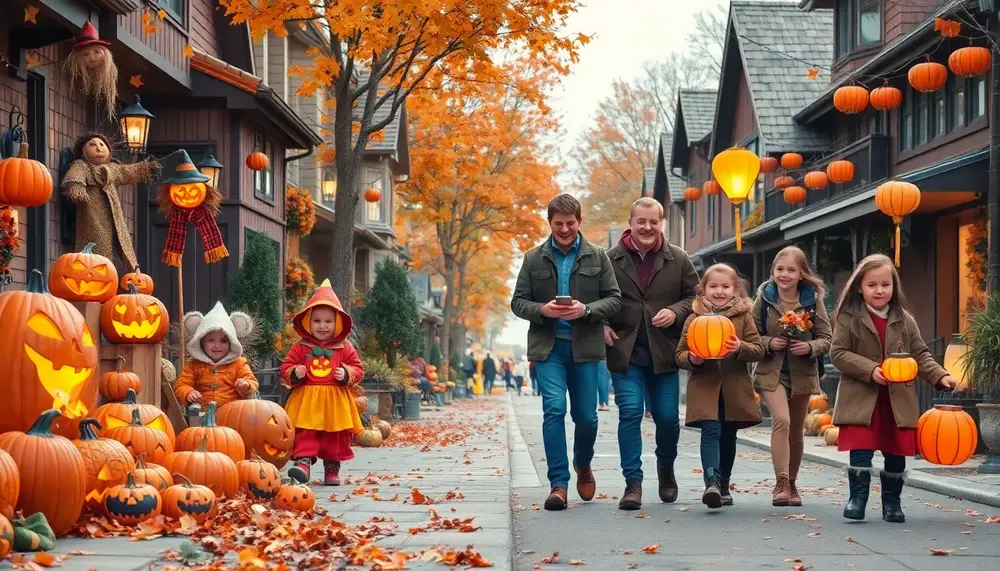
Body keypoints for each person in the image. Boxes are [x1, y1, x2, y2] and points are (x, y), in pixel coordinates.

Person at [511, 193, 622, 511]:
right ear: (549, 223)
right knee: (554, 410)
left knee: (586, 417)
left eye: (570, 223)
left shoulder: (598, 256)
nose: (564, 229)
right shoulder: (533, 258)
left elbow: (614, 299)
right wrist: (543, 309)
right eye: (558, 224)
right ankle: (558, 484)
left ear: (579, 221)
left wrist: (586, 310)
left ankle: (583, 465)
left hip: (585, 349)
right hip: (549, 350)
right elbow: (518, 302)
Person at [830, 254, 957, 523]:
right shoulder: (848, 317)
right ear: (859, 287)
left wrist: (940, 375)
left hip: (897, 398)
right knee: (861, 449)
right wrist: (870, 369)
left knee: (895, 451)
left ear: (893, 287)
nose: (879, 290)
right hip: (861, 396)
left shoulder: (904, 319)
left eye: (885, 285)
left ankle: (892, 503)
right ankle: (857, 499)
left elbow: (920, 354)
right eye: (872, 285)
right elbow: (838, 353)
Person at [604, 197, 699, 510]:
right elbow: (591, 299)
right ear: (630, 223)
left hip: (664, 352)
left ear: (662, 224)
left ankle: (666, 469)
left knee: (669, 419)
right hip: (625, 351)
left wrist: (675, 311)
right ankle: (633, 483)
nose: (647, 227)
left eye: (653, 222)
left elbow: (695, 299)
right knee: (630, 413)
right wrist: (600, 324)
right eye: (641, 221)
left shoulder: (679, 259)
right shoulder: (609, 259)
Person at [676, 263, 764, 510]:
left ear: (735, 290)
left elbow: (758, 349)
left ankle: (724, 483)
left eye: (725, 286)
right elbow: (680, 354)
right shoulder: (694, 318)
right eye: (713, 286)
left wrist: (740, 348)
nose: (719, 291)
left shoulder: (744, 317)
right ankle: (711, 482)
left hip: (733, 388)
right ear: (703, 290)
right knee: (711, 432)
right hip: (705, 387)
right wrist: (693, 358)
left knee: (728, 436)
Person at [752, 246, 832, 507]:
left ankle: (794, 483)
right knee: (782, 421)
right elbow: (749, 335)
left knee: (796, 430)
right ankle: (781, 482)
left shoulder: (811, 301)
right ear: (773, 272)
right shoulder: (765, 299)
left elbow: (826, 338)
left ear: (801, 274)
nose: (784, 274)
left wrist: (809, 347)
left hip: (802, 372)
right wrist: (768, 342)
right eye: (780, 269)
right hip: (771, 370)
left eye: (791, 270)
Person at [281, 279, 365, 486]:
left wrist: (346, 373)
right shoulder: (301, 347)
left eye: (328, 321)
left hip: (335, 400)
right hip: (307, 398)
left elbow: (358, 368)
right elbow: (285, 367)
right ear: (308, 321)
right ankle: (303, 463)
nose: (322, 326)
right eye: (317, 321)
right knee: (305, 431)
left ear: (337, 323)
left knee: (334, 435)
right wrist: (295, 372)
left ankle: (332, 467)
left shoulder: (344, 347)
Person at [174, 301, 259, 409]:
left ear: (231, 343)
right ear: (201, 342)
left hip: (232, 414)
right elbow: (181, 385)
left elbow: (252, 381)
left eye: (223, 341)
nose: (217, 345)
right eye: (211, 340)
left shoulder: (239, 363)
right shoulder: (193, 365)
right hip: (203, 414)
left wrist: (246, 385)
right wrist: (188, 392)